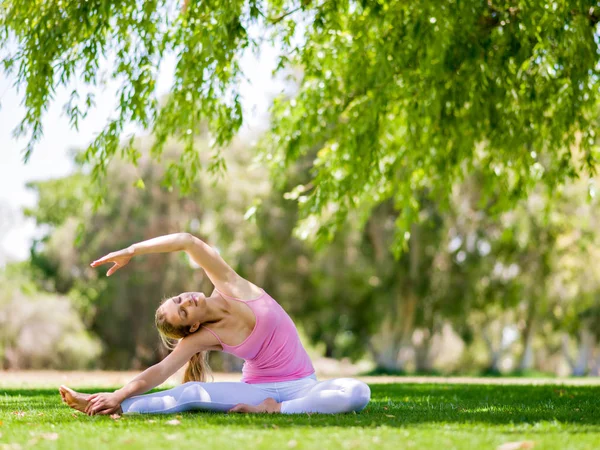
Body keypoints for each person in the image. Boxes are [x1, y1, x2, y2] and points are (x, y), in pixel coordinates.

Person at [59, 233, 371, 415]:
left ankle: (277, 410)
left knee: (358, 392)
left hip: (303, 385)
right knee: (192, 392)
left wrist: (131, 251)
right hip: (256, 389)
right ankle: (108, 406)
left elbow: (185, 240)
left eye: (179, 299)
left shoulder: (227, 282)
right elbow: (159, 372)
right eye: (182, 312)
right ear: (192, 328)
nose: (186, 302)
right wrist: (117, 396)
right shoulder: (202, 337)